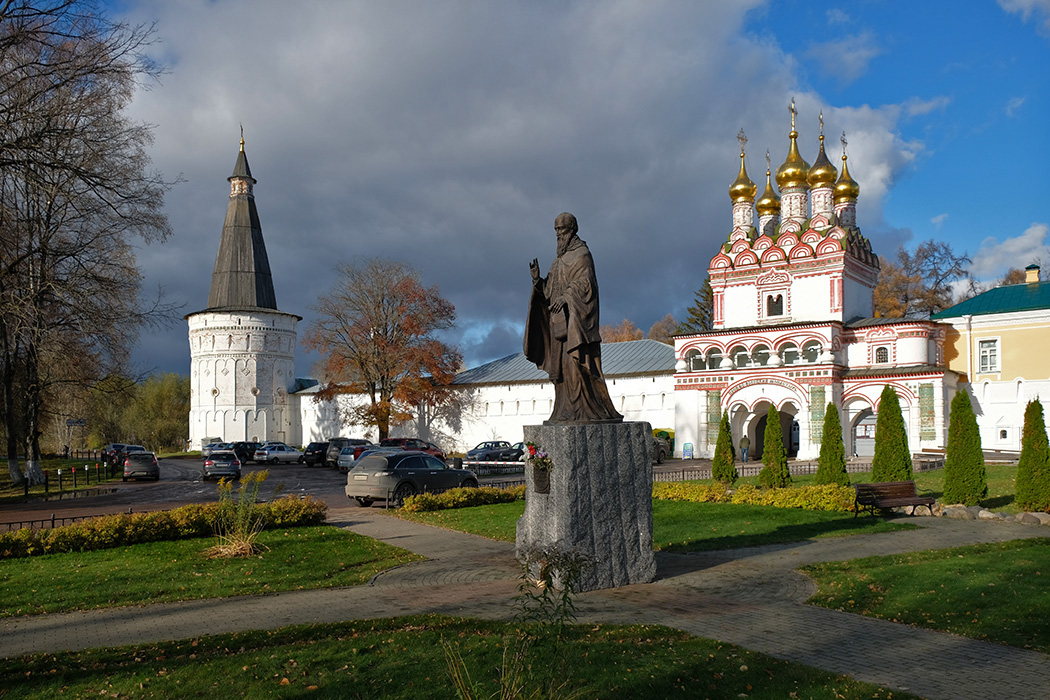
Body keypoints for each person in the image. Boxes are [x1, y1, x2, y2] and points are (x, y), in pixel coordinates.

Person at [524, 212, 622, 424]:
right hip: (560, 327)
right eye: (556, 230)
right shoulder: (558, 260)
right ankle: (564, 412)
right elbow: (549, 292)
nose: (559, 234)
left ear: (572, 230)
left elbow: (587, 285)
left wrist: (567, 296)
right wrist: (537, 281)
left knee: (575, 367)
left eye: (562, 230)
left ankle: (586, 411)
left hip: (576, 327)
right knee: (561, 373)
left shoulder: (582, 255)